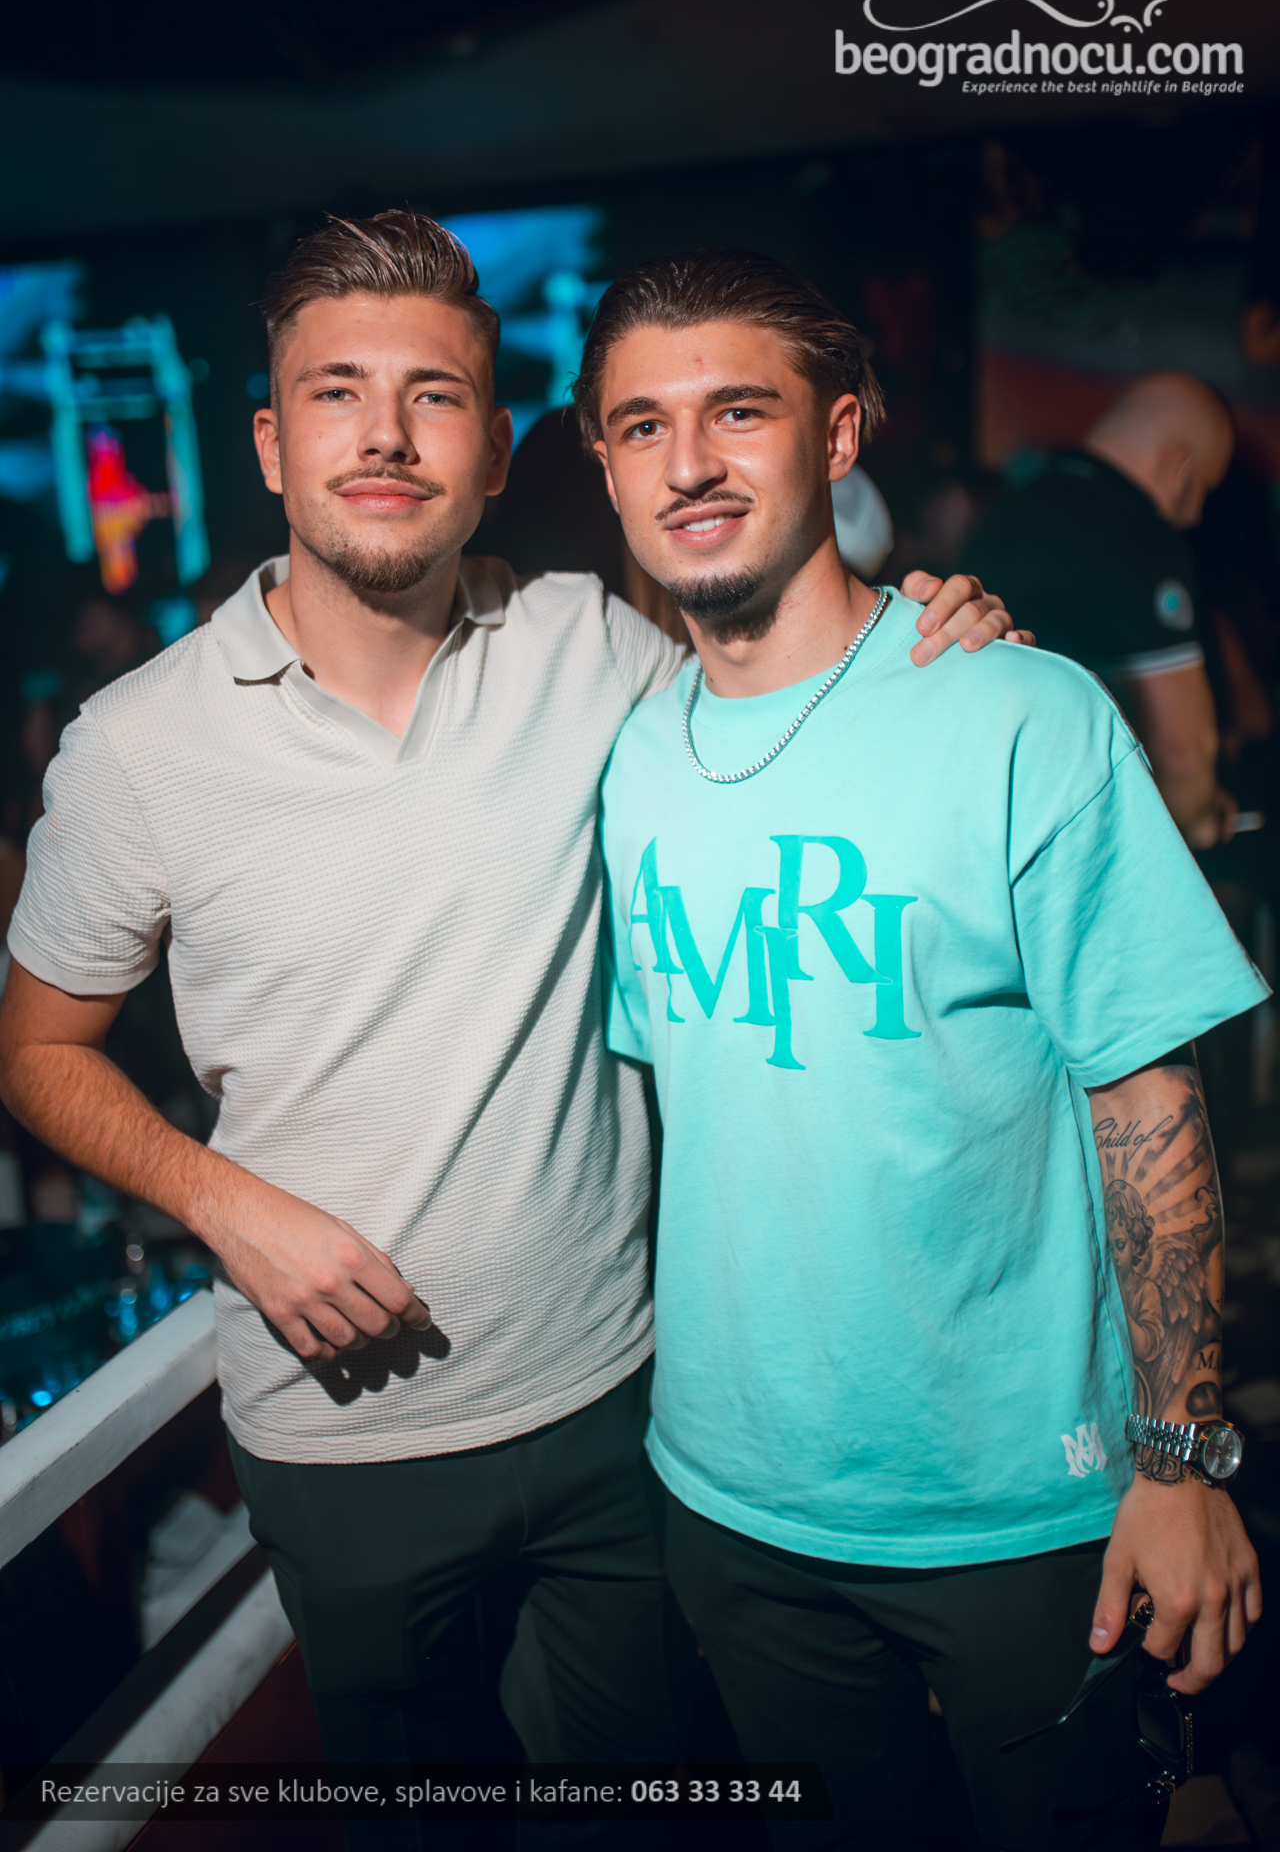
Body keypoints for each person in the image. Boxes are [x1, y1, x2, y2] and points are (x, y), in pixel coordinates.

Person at [0, 213, 1022, 1834]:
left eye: (434, 397)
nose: (384, 436)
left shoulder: (591, 648)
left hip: (619, 1405)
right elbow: (35, 1050)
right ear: (269, 445)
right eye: (337, 393)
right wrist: (226, 1205)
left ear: (491, 452)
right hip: (341, 1442)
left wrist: (933, 627)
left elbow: (793, 673)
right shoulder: (137, 748)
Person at [586, 252, 1266, 1851]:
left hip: (1022, 1510)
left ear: (837, 434)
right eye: (643, 426)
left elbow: (1149, 1102)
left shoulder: (1019, 712)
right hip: (731, 1505)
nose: (689, 465)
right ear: (605, 466)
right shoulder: (631, 758)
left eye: (738, 412)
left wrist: (1180, 1463)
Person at [958, 373, 1235, 851]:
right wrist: (1197, 817)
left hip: (985, 815)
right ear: (1180, 467)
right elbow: (1181, 751)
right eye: (1202, 489)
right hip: (1080, 836)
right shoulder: (1139, 536)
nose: (1194, 516)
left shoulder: (1004, 510)